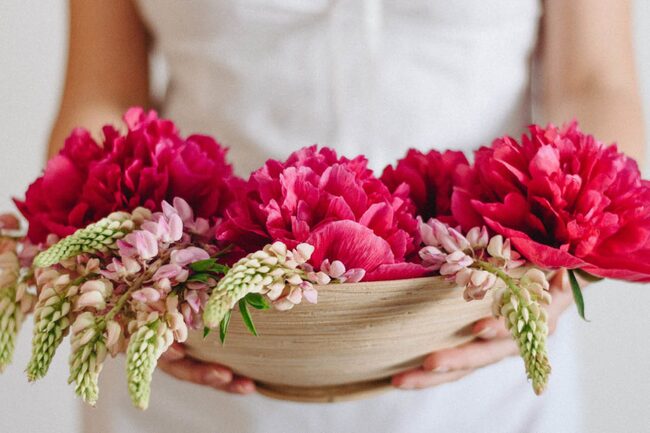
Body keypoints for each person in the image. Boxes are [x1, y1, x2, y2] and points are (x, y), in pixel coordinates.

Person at [48, 1, 645, 432]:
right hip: (203, 348)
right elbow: (101, 91)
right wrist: (120, 275)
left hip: (478, 364)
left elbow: (594, 79)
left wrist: (574, 248)